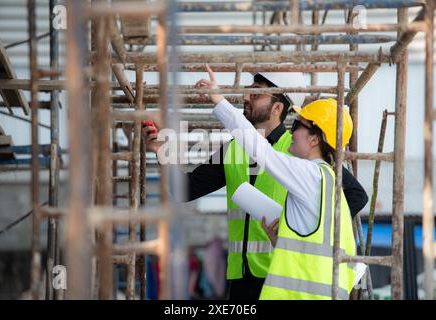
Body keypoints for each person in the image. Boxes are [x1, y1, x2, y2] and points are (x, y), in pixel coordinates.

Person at [143, 65, 368, 300]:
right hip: (241, 276)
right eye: (249, 90)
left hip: (281, 270)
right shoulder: (234, 150)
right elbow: (185, 190)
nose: (246, 97)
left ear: (278, 107)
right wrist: (161, 151)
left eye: (257, 93)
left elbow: (355, 195)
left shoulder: (302, 160)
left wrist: (302, 226)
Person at [201, 64, 359, 299]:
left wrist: (219, 100)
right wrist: (287, 237)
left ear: (315, 139)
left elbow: (262, 152)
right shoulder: (326, 179)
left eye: (298, 126)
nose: (292, 131)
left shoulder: (310, 174)